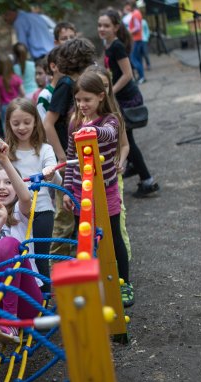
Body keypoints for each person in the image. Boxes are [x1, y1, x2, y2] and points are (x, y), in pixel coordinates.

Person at [0, 98, 58, 293]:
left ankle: (44, 297)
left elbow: (56, 178)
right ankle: (17, 295)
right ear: (8, 123)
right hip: (13, 212)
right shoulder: (5, 150)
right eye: (15, 123)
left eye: (27, 122)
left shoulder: (44, 149)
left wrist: (51, 172)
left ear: (35, 121)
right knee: (16, 256)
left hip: (40, 211)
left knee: (39, 259)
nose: (22, 127)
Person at [63, 71, 133, 307]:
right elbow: (72, 157)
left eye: (87, 100)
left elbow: (110, 134)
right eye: (78, 100)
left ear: (101, 97)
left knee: (112, 237)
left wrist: (91, 131)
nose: (82, 105)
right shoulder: (74, 121)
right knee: (83, 238)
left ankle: (124, 283)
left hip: (106, 191)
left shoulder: (109, 120)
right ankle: (91, 285)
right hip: (80, 192)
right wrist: (66, 190)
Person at [0, 138, 43, 344]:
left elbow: (25, 196)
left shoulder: (22, 213)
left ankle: (10, 323)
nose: (2, 187)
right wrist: (1, 219)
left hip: (26, 299)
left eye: (8, 183)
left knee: (9, 244)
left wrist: (4, 160)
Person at [43, 39, 96, 259]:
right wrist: (63, 156)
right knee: (64, 216)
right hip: (68, 157)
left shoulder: (79, 83)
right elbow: (48, 123)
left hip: (79, 153)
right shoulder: (66, 85)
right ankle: (55, 267)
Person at [98, 9, 159, 198]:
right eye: (100, 25)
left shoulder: (117, 46)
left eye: (106, 25)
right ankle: (136, 168)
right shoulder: (108, 45)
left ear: (116, 27)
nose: (102, 28)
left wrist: (110, 92)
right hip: (119, 98)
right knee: (125, 140)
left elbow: (128, 75)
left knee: (128, 141)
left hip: (128, 98)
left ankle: (147, 180)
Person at [86, 65, 132, 263]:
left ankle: (124, 265)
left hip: (112, 176)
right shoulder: (80, 117)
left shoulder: (114, 117)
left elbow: (124, 146)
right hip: (90, 180)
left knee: (117, 223)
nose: (102, 90)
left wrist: (120, 162)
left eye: (105, 85)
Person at [0, 56, 25, 130]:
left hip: (5, 107)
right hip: (16, 105)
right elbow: (23, 93)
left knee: (6, 127)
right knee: (17, 125)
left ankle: (8, 141)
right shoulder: (16, 78)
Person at [124, 1, 146, 84]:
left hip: (135, 39)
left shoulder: (135, 14)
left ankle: (141, 77)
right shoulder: (137, 13)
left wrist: (129, 32)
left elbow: (137, 27)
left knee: (134, 59)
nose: (126, 7)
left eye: (128, 5)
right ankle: (141, 76)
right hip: (138, 39)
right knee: (138, 59)